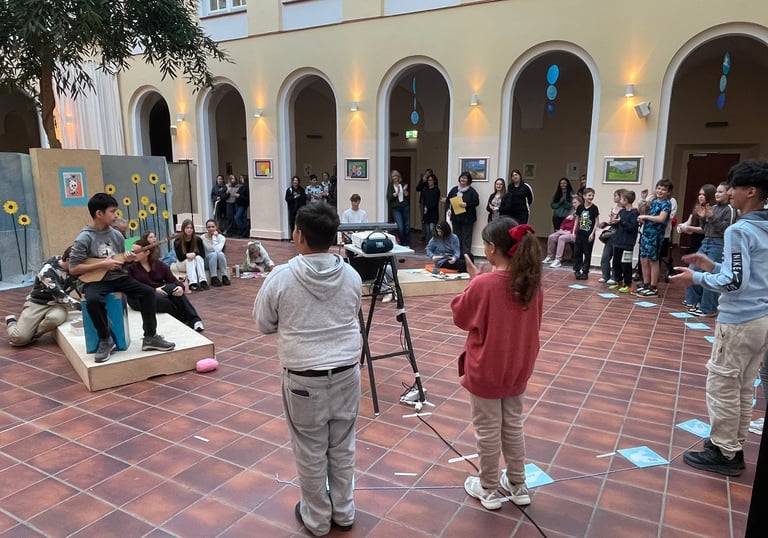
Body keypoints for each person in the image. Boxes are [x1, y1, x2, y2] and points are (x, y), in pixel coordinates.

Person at [253, 202, 362, 536]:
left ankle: (316, 519)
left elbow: (263, 323)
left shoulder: (282, 277)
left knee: (310, 450)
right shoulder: (352, 274)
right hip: (346, 373)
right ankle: (343, 511)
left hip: (303, 380)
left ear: (299, 235)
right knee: (342, 446)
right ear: (333, 237)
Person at [670, 159, 768, 477]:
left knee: (723, 383)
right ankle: (730, 443)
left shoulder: (739, 229)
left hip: (739, 320)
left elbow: (734, 282)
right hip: (761, 318)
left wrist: (696, 279)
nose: (729, 194)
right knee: (742, 385)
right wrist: (710, 265)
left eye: (734, 188)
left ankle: (725, 453)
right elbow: (745, 274)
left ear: (750, 191)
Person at [452, 218, 543, 511]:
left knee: (488, 430)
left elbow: (461, 317)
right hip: (518, 367)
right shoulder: (531, 282)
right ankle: (518, 485)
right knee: (513, 425)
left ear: (491, 249)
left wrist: (473, 281)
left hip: (487, 370)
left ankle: (489, 487)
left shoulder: (484, 283)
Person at [68, 193, 175, 363]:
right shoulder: (84, 238)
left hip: (117, 277)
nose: (116, 215)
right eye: (112, 211)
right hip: (95, 281)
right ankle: (105, 339)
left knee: (148, 292)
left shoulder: (117, 235)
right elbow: (73, 268)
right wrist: (103, 265)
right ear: (99, 214)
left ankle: (150, 337)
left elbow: (121, 261)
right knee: (93, 301)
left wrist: (129, 261)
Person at [5, 246, 80, 346]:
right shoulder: (47, 271)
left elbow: (82, 287)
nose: (81, 266)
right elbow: (59, 294)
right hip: (38, 303)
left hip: (57, 305)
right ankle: (12, 322)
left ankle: (33, 335)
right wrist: (80, 305)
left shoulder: (75, 268)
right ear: (68, 260)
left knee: (55, 318)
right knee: (19, 339)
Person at [126, 239, 204, 332]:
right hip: (139, 297)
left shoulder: (158, 264)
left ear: (147, 252)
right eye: (132, 251)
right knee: (165, 301)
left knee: (174, 289)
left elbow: (173, 280)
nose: (134, 254)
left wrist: (180, 287)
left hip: (159, 292)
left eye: (137, 252)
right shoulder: (130, 267)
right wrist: (153, 290)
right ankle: (183, 319)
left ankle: (195, 320)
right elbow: (131, 287)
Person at [683, 182, 736, 316]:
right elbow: (706, 229)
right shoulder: (713, 207)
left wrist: (711, 217)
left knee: (711, 274)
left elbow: (725, 230)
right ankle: (693, 302)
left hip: (718, 243)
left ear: (728, 194)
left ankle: (708, 308)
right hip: (706, 241)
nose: (717, 194)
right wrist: (703, 218)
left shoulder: (729, 209)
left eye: (721, 192)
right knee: (692, 270)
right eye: (716, 192)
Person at [634, 179, 673, 297]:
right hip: (646, 233)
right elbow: (643, 211)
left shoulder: (667, 203)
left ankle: (653, 286)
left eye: (663, 189)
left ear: (668, 192)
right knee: (643, 259)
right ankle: (646, 284)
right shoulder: (653, 201)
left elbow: (661, 218)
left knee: (653, 261)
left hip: (655, 235)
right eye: (659, 188)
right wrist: (642, 217)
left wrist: (646, 216)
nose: (660, 191)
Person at [609, 190, 640, 293]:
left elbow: (632, 227)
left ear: (626, 200)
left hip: (627, 243)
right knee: (616, 262)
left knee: (626, 264)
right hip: (618, 241)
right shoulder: (621, 212)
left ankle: (628, 283)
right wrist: (613, 221)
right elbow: (618, 225)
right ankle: (618, 281)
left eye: (621, 199)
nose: (620, 200)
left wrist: (621, 221)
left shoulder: (635, 213)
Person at [445, 171, 480, 256]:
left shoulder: (472, 191)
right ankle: (457, 255)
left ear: (468, 180)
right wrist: (448, 210)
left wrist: (466, 205)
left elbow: (476, 202)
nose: (463, 179)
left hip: (467, 219)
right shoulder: (454, 190)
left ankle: (466, 257)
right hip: (456, 218)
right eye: (462, 177)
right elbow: (448, 201)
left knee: (466, 238)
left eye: (465, 178)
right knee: (456, 237)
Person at [678, 184, 716, 256]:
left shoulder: (712, 209)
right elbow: (689, 221)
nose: (700, 197)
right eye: (700, 194)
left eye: (704, 195)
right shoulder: (697, 207)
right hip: (694, 240)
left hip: (705, 240)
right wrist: (682, 226)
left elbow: (704, 229)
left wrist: (689, 228)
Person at [542, 196, 579, 267]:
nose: (573, 204)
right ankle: (550, 256)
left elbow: (578, 226)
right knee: (551, 237)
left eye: (575, 203)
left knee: (561, 238)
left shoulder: (581, 213)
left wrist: (566, 232)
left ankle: (558, 259)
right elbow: (563, 223)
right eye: (573, 203)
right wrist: (561, 229)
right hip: (565, 231)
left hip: (573, 233)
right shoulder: (571, 212)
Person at [597, 189, 625, 284]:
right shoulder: (614, 208)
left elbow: (622, 223)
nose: (614, 198)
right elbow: (611, 222)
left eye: (616, 196)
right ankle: (605, 275)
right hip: (611, 235)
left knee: (617, 258)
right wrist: (605, 223)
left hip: (619, 235)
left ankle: (615, 277)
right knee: (605, 256)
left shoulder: (624, 210)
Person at [572, 188, 600, 280]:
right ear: (584, 196)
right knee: (577, 252)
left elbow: (596, 221)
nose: (591, 197)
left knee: (587, 253)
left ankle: (585, 271)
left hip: (589, 234)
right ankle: (577, 270)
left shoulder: (594, 208)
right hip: (580, 233)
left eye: (592, 195)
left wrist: (592, 233)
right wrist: (573, 232)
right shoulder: (580, 207)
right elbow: (576, 220)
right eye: (589, 195)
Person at [173, 219, 208, 291]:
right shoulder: (178, 241)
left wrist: (194, 253)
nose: (189, 230)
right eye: (187, 228)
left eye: (191, 228)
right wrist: (187, 255)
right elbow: (180, 257)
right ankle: (192, 284)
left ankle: (203, 281)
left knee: (198, 258)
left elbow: (203, 254)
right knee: (190, 260)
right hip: (182, 264)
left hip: (194, 263)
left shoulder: (198, 239)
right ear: (183, 229)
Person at [201, 219, 230, 287]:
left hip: (218, 261)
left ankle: (224, 276)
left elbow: (217, 250)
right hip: (207, 262)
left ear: (216, 227)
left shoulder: (221, 238)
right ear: (206, 228)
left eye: (213, 227)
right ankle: (213, 277)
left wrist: (214, 237)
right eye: (209, 227)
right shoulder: (202, 238)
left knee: (220, 254)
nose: (211, 229)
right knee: (213, 255)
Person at [387, 169, 410, 247]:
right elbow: (389, 198)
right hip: (396, 209)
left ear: (398, 176)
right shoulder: (390, 186)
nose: (394, 178)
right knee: (400, 226)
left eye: (395, 176)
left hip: (405, 207)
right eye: (392, 176)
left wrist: (404, 190)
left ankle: (407, 243)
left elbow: (407, 196)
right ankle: (402, 242)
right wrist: (396, 193)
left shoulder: (402, 184)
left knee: (407, 226)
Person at [420, 172, 441, 240]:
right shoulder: (425, 190)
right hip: (426, 212)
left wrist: (427, 208)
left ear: (434, 181)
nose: (430, 182)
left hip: (433, 211)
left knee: (432, 228)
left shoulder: (436, 190)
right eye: (428, 180)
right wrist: (425, 208)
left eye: (431, 180)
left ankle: (435, 241)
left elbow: (435, 202)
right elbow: (424, 200)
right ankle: (429, 243)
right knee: (427, 229)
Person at [233, 174, 250, 238]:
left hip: (243, 204)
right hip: (238, 204)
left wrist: (239, 196)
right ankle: (243, 232)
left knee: (237, 218)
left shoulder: (246, 187)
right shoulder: (241, 186)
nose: (240, 179)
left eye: (242, 178)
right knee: (241, 218)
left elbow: (247, 197)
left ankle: (244, 230)